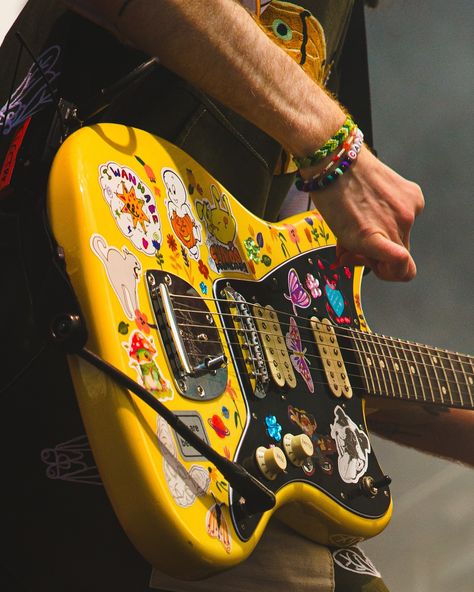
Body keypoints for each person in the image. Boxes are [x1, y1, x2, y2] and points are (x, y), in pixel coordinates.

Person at [0, 1, 472, 591]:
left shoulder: (340, 31)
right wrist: (336, 149)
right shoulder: (328, 130)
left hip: (193, 453)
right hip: (48, 286)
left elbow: (293, 341)